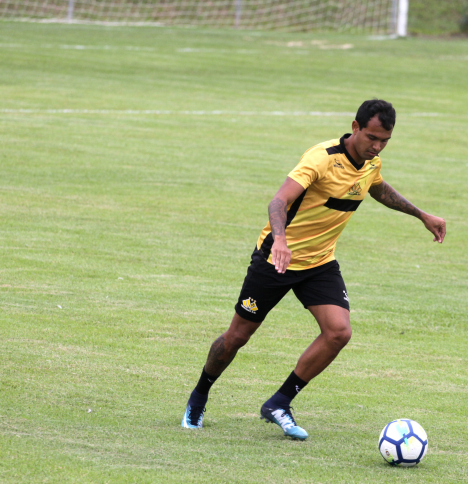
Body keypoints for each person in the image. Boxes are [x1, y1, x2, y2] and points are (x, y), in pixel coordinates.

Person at [182, 99, 446, 440]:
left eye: (385, 141)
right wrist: (279, 241)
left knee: (339, 332)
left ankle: (279, 403)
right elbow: (279, 201)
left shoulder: (370, 162)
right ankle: (199, 395)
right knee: (237, 337)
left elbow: (376, 186)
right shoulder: (322, 158)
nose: (377, 146)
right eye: (371, 137)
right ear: (355, 127)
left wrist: (422, 214)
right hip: (277, 259)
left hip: (319, 263)